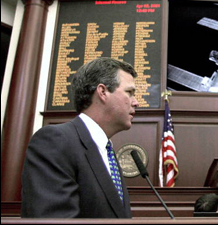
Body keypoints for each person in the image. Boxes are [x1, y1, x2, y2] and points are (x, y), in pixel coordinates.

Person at [21, 57, 139, 218]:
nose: (136, 102)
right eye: (129, 92)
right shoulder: (55, 140)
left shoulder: (107, 152)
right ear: (103, 92)